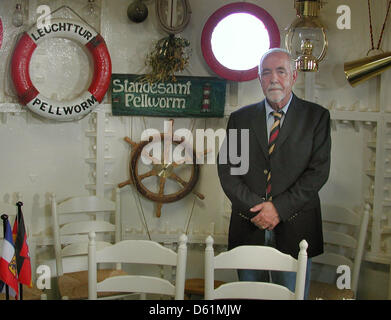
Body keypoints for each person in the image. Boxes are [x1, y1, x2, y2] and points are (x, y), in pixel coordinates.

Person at [217, 48, 331, 299]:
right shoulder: (240, 118)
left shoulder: (317, 117)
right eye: (266, 73)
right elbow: (228, 172)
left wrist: (278, 209)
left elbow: (318, 172)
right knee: (248, 296)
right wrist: (257, 208)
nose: (273, 79)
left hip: (297, 228)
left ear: (294, 76)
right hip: (249, 225)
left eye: (281, 71)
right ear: (259, 79)